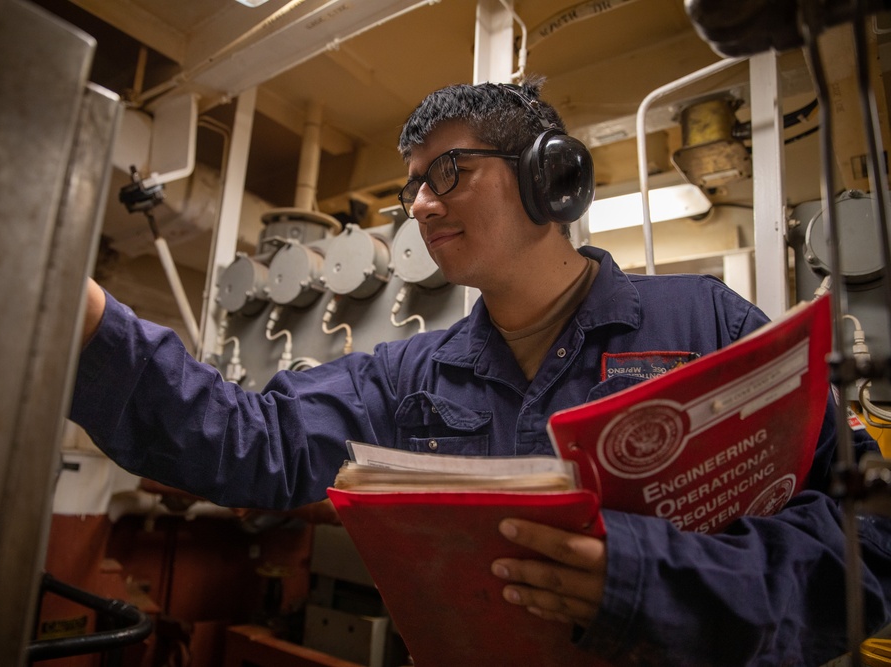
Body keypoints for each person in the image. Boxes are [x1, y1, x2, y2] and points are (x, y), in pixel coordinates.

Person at [70, 77, 891, 665]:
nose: (422, 204)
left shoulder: (705, 324)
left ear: (551, 176)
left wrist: (643, 576)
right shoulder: (405, 375)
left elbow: (868, 548)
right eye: (413, 187)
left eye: (449, 172)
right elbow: (251, 440)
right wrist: (86, 322)